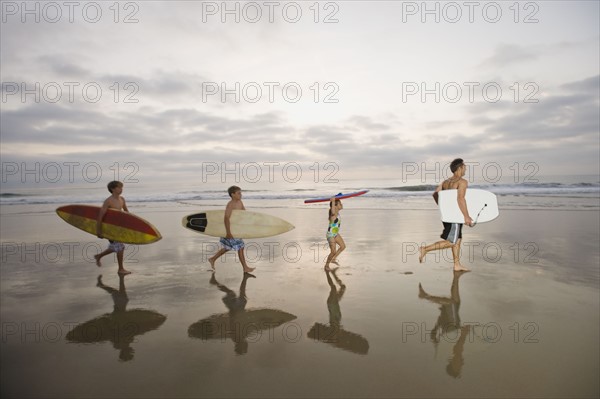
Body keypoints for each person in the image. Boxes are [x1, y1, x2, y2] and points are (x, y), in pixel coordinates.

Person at [419, 158, 473, 272]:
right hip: (455, 216)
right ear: (460, 168)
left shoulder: (445, 182)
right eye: (465, 167)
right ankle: (425, 249)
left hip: (447, 215)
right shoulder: (462, 182)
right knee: (452, 241)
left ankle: (457, 265)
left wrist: (443, 207)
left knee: (458, 239)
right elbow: (460, 198)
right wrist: (466, 216)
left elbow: (435, 194)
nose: (466, 169)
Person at [208, 186, 255, 273]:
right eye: (239, 193)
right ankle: (245, 268)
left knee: (227, 247)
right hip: (230, 231)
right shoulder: (230, 205)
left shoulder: (240, 202)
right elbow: (226, 218)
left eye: (241, 193)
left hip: (236, 229)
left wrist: (251, 219)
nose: (241, 195)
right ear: (232, 194)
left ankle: (213, 259)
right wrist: (228, 232)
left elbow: (244, 213)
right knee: (240, 247)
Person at [95, 181, 131, 275]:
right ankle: (120, 269)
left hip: (118, 227)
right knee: (120, 247)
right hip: (109, 228)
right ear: (113, 189)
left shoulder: (122, 199)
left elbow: (127, 213)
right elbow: (100, 216)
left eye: (121, 187)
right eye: (119, 187)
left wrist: (131, 225)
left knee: (115, 246)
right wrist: (98, 231)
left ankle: (99, 256)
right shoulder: (108, 201)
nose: (121, 189)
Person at [324, 196, 346, 270]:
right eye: (340, 204)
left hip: (336, 234)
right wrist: (333, 202)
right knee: (333, 251)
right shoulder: (333, 214)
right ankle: (326, 265)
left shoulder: (337, 213)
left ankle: (333, 259)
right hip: (330, 235)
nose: (342, 205)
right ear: (335, 206)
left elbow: (334, 210)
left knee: (343, 246)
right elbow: (333, 211)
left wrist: (338, 196)